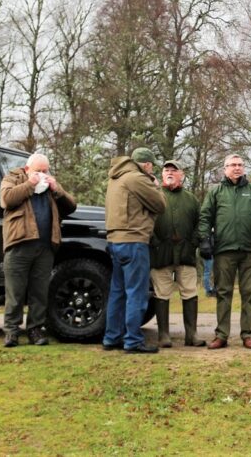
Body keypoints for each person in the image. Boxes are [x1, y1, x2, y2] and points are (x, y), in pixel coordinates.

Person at [197, 154, 251, 350]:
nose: (237, 168)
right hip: (224, 250)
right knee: (223, 292)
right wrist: (204, 240)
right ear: (225, 169)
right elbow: (205, 217)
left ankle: (247, 334)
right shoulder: (215, 192)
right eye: (232, 165)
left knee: (250, 293)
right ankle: (221, 335)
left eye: (240, 165)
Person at [0, 153, 77, 347]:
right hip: (19, 245)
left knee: (39, 293)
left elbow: (71, 206)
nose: (42, 174)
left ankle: (35, 330)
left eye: (45, 171)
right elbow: (7, 200)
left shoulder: (50, 186)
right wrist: (30, 184)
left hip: (45, 247)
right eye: (38, 171)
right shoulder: (12, 179)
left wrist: (57, 189)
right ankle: (11, 332)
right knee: (15, 293)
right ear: (27, 170)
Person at [103, 147, 167, 354]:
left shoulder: (115, 178)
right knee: (136, 293)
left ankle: (111, 337)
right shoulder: (136, 178)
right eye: (151, 165)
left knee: (117, 292)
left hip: (115, 240)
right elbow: (160, 205)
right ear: (146, 164)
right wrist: (155, 186)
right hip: (133, 241)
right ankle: (132, 341)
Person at [149, 160, 204, 348]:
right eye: (167, 170)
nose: (170, 172)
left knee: (189, 292)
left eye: (174, 170)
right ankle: (164, 335)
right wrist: (155, 243)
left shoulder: (191, 199)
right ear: (162, 174)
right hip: (160, 254)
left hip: (186, 253)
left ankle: (192, 334)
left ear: (182, 175)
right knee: (162, 293)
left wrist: (194, 242)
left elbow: (200, 223)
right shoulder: (154, 196)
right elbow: (146, 220)